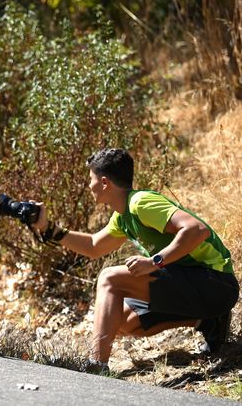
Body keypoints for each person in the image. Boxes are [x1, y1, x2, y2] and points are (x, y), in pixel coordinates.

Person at [30, 148, 239, 373]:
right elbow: (93, 246)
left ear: (103, 182)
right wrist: (48, 229)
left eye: (90, 180)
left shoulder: (141, 203)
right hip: (193, 286)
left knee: (109, 278)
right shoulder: (122, 216)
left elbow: (197, 230)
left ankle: (96, 367)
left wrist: (155, 261)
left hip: (217, 283)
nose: (89, 186)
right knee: (122, 321)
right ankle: (207, 321)